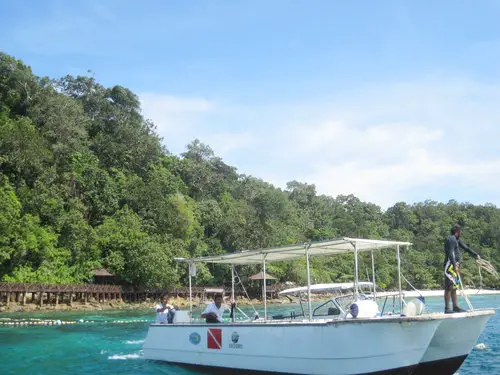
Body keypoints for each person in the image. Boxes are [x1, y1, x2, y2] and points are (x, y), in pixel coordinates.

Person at [443, 223, 481, 313]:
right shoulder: (451, 239)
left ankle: (455, 307)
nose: (461, 233)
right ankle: (447, 309)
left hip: (455, 265)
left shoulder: (456, 240)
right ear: (457, 232)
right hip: (450, 265)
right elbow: (451, 253)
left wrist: (476, 255)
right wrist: (454, 265)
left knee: (454, 286)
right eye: (460, 231)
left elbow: (466, 248)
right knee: (449, 286)